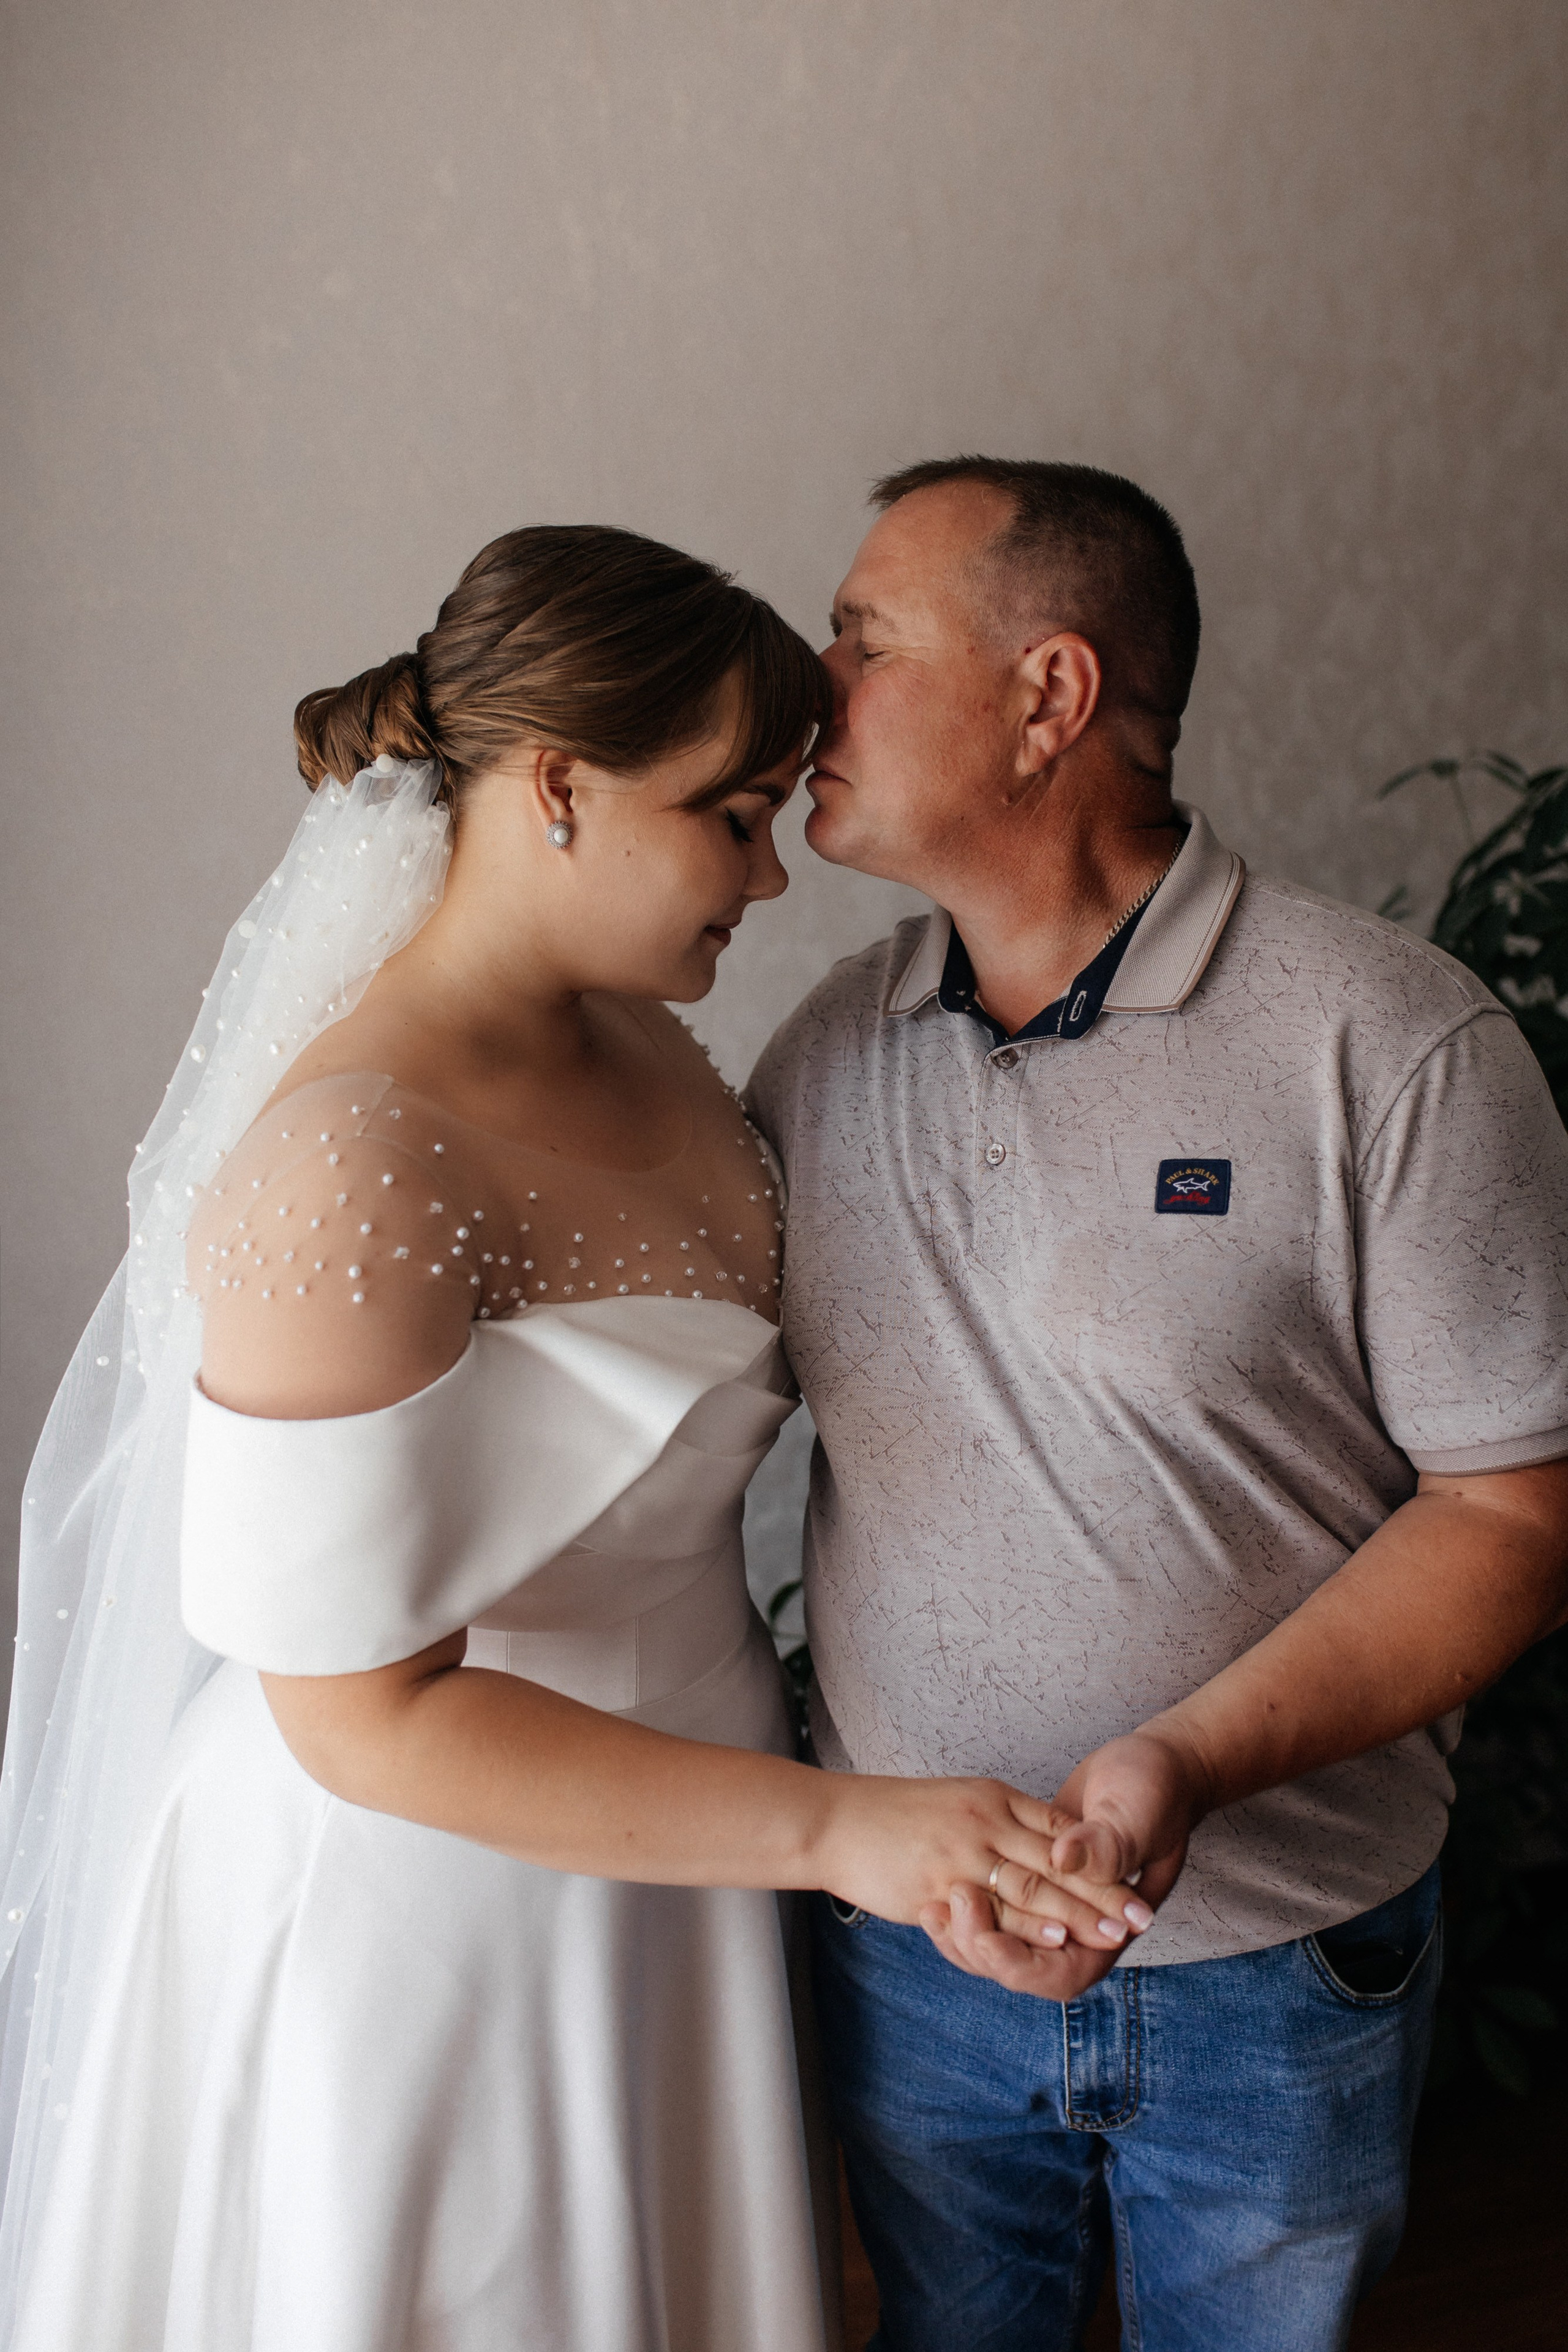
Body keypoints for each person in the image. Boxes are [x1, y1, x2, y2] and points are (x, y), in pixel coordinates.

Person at [0, 522, 1145, 2352]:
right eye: (733, 815)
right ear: (556, 788)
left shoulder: (654, 1043)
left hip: (682, 1867)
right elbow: (363, 1713)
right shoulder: (351, 1161)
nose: (773, 877)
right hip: (435, 1907)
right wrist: (838, 1834)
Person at [747, 458, 1568, 2352]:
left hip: (1282, 1970)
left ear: (1052, 695)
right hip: (917, 1959)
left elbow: (1516, 1515)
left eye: (862, 641)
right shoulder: (815, 1064)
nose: (810, 687)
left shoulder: (1395, 1046)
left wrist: (1182, 1766)